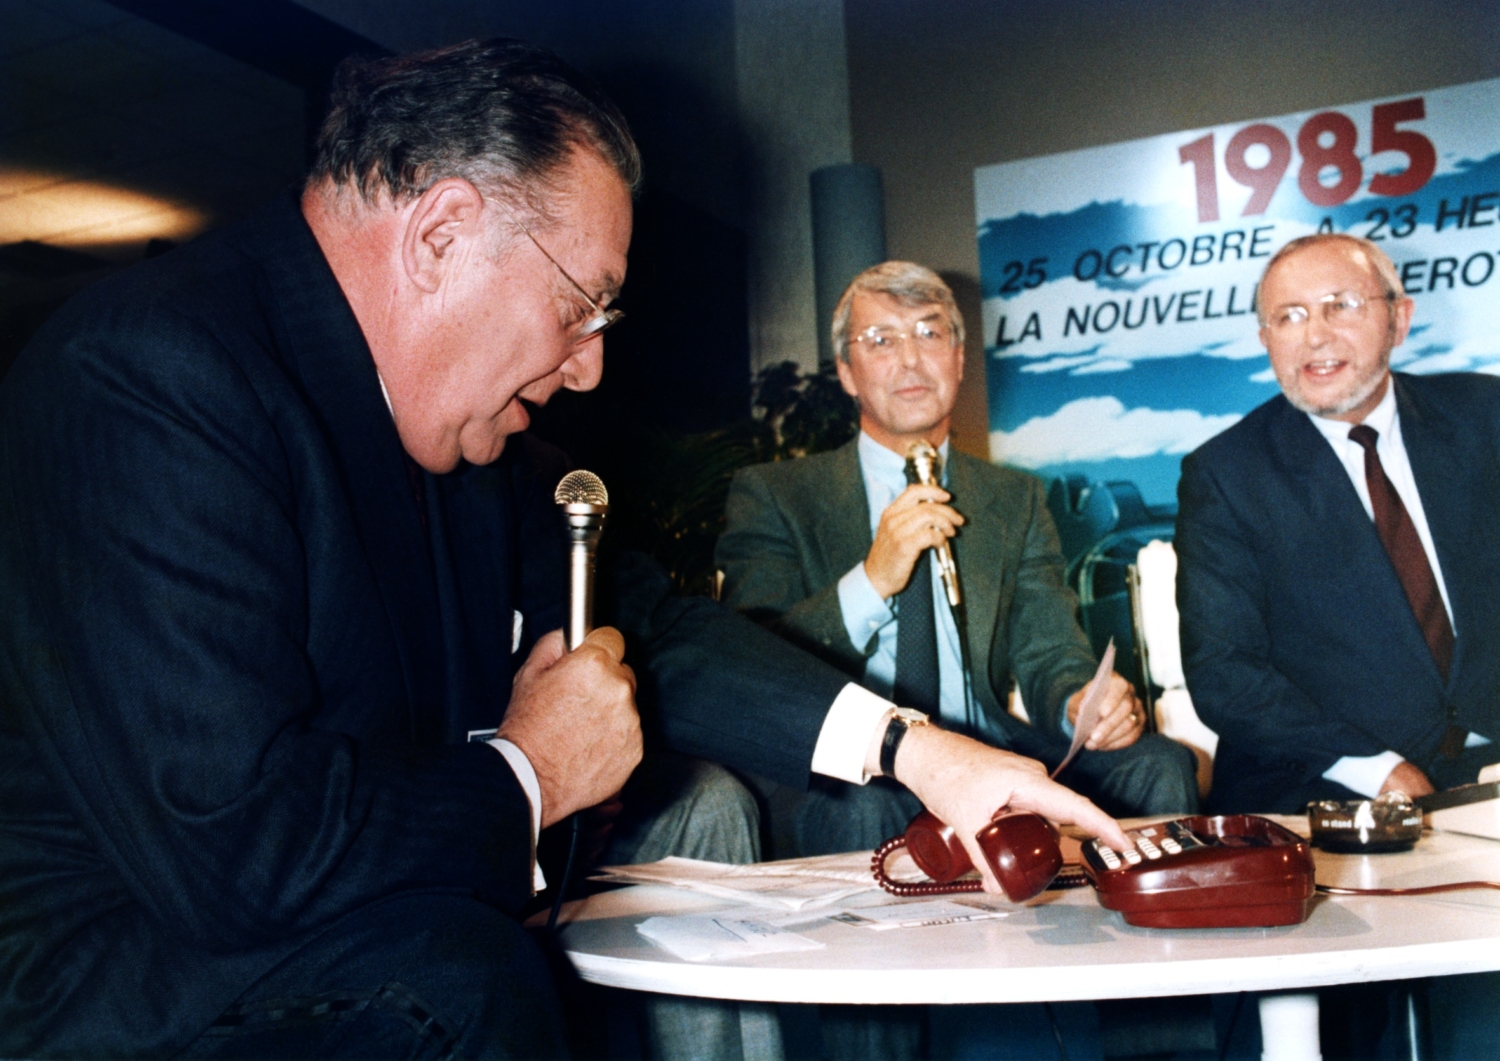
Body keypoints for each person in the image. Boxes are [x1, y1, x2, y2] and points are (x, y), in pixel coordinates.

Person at [0, 41, 1132, 1060]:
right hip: (126, 989)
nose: (588, 367)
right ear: (441, 236)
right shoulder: (149, 376)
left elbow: (660, 635)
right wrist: (530, 772)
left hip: (349, 937)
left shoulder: (466, 443)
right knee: (467, 973)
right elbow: (238, 855)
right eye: (582, 305)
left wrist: (923, 753)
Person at [717, 260, 1198, 860]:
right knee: (871, 804)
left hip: (988, 745)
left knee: (1158, 765)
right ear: (846, 371)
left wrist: (1080, 703)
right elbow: (754, 660)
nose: (910, 360)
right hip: (856, 762)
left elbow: (1049, 651)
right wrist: (872, 581)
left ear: (960, 358)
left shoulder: (1014, 498)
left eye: (929, 332)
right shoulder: (776, 495)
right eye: (881, 340)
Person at [1176, 232, 1500, 816]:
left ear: (1399, 319)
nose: (1315, 335)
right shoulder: (1226, 476)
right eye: (1289, 316)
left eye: (1341, 306)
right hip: (1328, 780)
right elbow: (1224, 673)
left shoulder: (1486, 417)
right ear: (1266, 340)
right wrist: (1377, 770)